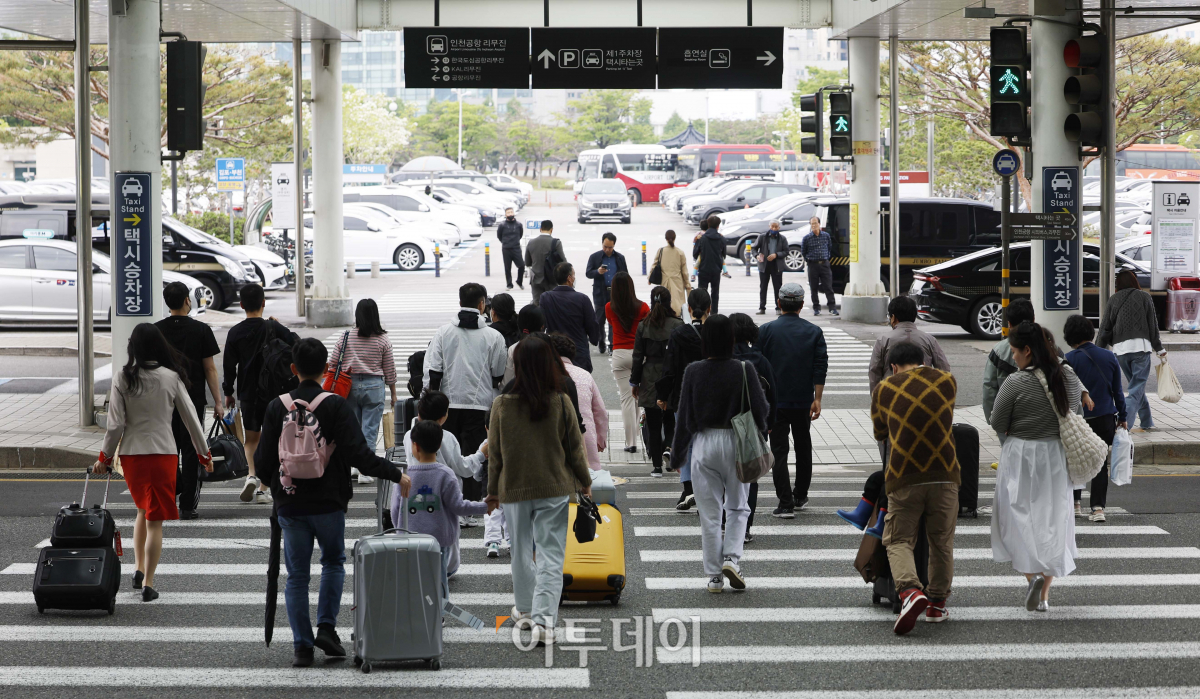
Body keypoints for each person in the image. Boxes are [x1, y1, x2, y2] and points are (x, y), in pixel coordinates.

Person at [255, 338, 410, 667]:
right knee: (333, 562)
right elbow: (360, 455)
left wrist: (280, 488)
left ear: (294, 369)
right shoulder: (335, 405)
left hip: (290, 504)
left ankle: (302, 647)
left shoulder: (276, 407)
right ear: (326, 368)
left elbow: (263, 462)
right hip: (329, 502)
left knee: (297, 576)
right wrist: (396, 475)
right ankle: (326, 627)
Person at [485, 335, 593, 645]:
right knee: (551, 555)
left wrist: (492, 492)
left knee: (520, 551)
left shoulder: (501, 405)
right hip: (553, 488)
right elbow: (575, 449)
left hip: (514, 489)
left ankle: (526, 611)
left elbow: (496, 455)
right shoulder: (560, 401)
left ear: (516, 365)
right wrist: (585, 481)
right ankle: (546, 622)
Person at [95, 322, 212, 603]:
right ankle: (148, 582)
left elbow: (115, 426)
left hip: (133, 455)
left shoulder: (122, 378)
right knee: (155, 519)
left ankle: (137, 568)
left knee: (141, 510)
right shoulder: (171, 377)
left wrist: (105, 457)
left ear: (132, 347)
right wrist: (203, 453)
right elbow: (191, 419)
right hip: (163, 453)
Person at [990, 321, 1084, 613]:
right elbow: (1075, 412)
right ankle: (1044, 597)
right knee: (1054, 521)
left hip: (1021, 454)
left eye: (1015, 351)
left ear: (1028, 350)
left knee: (1015, 518)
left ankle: (1030, 577)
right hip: (1055, 455)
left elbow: (997, 422)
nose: (1014, 357)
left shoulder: (1017, 381)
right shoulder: (1067, 376)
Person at [671, 314, 769, 594]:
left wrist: (678, 455)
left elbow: (684, 418)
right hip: (736, 442)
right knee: (738, 507)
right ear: (731, 339)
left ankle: (714, 576)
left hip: (703, 443)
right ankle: (732, 560)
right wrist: (760, 433)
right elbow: (760, 410)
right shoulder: (743, 368)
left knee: (709, 514)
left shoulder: (693, 371)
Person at [870, 342, 960, 634]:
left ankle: (910, 592)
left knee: (897, 540)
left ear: (893, 367)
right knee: (941, 541)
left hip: (904, 476)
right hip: (945, 474)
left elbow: (880, 432)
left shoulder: (884, 389)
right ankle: (936, 605)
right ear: (922, 360)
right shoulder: (947, 382)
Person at [425, 283, 507, 506]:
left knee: (447, 454)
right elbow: (498, 373)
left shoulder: (443, 332)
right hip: (479, 404)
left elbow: (435, 371)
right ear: (482, 304)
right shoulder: (494, 336)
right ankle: (469, 504)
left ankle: (448, 499)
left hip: (447, 406)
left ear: (460, 302)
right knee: (472, 455)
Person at [221, 283, 298, 504]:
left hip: (249, 394)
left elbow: (229, 366)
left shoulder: (235, 332)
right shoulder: (274, 328)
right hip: (276, 394)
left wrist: (228, 392)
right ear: (263, 303)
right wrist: (280, 328)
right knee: (272, 438)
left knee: (251, 439)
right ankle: (264, 489)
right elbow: (297, 344)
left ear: (242, 305)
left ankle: (251, 475)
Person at [401, 420, 490, 607]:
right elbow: (459, 506)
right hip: (440, 538)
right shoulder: (446, 475)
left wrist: (402, 533)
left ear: (414, 446)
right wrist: (484, 507)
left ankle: (417, 610)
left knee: (415, 574)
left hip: (412, 537)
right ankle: (438, 612)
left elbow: (396, 509)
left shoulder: (404, 477)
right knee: (439, 575)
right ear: (440, 445)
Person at [758, 283, 828, 518]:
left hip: (774, 403)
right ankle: (800, 495)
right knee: (803, 446)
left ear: (779, 303)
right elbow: (820, 367)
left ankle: (785, 503)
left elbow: (757, 368)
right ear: (801, 304)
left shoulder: (765, 331)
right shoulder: (814, 332)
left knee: (779, 450)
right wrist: (817, 398)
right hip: (803, 401)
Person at [395, 390, 493, 556]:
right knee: (446, 534)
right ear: (443, 417)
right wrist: (480, 455)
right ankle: (446, 569)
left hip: (415, 492)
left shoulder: (408, 436)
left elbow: (395, 507)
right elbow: (462, 468)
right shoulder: (446, 438)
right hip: (442, 496)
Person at [155, 281, 221, 520]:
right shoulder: (201, 330)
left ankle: (172, 493)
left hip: (163, 401)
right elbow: (210, 369)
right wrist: (218, 402)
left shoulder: (156, 331)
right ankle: (187, 506)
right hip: (193, 400)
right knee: (192, 450)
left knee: (168, 450)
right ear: (187, 300)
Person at [1064, 313, 1127, 523]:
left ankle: (1075, 504)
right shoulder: (1109, 357)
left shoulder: (1069, 359)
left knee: (1075, 459)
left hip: (1079, 419)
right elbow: (1118, 392)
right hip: (1105, 417)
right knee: (1100, 461)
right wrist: (1123, 417)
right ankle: (1098, 508)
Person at [332, 299, 397, 486]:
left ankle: (354, 466)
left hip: (349, 386)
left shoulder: (346, 337)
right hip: (374, 386)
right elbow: (389, 369)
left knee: (353, 428)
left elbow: (334, 362)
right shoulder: (383, 339)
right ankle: (365, 470)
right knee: (369, 430)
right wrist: (393, 393)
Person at [657, 288, 712, 510]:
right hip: (711, 397)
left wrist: (663, 396)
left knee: (687, 443)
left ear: (688, 309)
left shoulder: (679, 334)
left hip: (683, 396)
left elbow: (669, 367)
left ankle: (689, 490)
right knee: (708, 443)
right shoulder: (715, 332)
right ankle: (706, 488)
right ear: (709, 308)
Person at [1097, 269, 1165, 432]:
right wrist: (1159, 348)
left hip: (1120, 351)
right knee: (1136, 388)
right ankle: (1124, 425)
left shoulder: (1114, 299)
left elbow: (1105, 328)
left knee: (1137, 387)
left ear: (1118, 284)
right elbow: (1152, 326)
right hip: (1140, 348)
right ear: (1135, 281)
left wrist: (1096, 350)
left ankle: (1147, 421)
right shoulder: (1144, 297)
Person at [730, 313, 777, 543]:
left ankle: (725, 521)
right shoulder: (762, 361)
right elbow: (773, 397)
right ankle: (746, 527)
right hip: (754, 427)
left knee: (725, 477)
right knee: (750, 477)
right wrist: (769, 425)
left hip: (727, 426)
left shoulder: (724, 360)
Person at [632, 286, 685, 477]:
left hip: (649, 376)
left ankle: (656, 466)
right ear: (669, 301)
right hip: (671, 375)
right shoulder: (677, 325)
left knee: (653, 423)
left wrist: (634, 382)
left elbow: (637, 357)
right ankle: (669, 448)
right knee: (670, 417)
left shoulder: (643, 325)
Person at [549, 333, 608, 470]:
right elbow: (600, 411)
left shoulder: (544, 375)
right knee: (589, 479)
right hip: (586, 436)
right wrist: (600, 439)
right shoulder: (584, 375)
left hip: (554, 438)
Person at [982, 298, 1037, 443]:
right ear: (1034, 319)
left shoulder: (999, 350)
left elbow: (989, 387)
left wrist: (992, 420)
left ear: (1009, 324)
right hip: (1046, 427)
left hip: (1008, 424)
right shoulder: (1051, 348)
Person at [606, 272, 649, 455]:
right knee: (639, 398)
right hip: (640, 356)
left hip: (619, 354)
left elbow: (611, 323)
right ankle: (640, 436)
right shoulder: (643, 308)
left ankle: (631, 442)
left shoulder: (609, 307)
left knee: (626, 400)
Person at [540, 262, 601, 372]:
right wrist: (594, 339)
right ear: (569, 278)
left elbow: (542, 323)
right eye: (573, 274)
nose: (574, 277)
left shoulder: (546, 297)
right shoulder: (582, 299)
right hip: (578, 350)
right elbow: (592, 323)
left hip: (555, 349)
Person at [585, 233, 629, 353]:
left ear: (614, 245)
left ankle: (612, 345)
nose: (607, 250)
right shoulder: (594, 257)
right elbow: (588, 273)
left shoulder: (620, 258)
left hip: (615, 293)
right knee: (599, 320)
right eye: (605, 247)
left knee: (613, 320)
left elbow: (625, 275)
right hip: (600, 292)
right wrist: (597, 272)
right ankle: (601, 342)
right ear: (602, 244)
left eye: (610, 247)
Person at [800, 216, 839, 316]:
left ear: (819, 224)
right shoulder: (807, 238)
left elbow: (829, 248)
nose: (813, 225)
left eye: (815, 223)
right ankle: (816, 308)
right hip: (813, 265)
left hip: (825, 264)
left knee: (828, 287)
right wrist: (809, 260)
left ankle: (832, 308)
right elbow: (803, 252)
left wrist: (825, 258)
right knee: (814, 288)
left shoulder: (826, 236)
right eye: (812, 224)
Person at [524, 220, 565, 305]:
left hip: (536, 279)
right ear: (551, 229)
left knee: (538, 305)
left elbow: (527, 262)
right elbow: (563, 262)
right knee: (552, 305)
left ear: (540, 229)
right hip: (551, 279)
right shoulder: (556, 243)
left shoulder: (531, 242)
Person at [692, 215, 727, 314]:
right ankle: (714, 313)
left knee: (702, 293)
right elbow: (724, 254)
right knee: (715, 293)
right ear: (718, 226)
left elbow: (695, 254)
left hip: (703, 269)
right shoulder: (721, 239)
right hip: (716, 270)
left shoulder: (701, 239)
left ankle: (702, 312)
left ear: (708, 224)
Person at [653, 229, 691, 318]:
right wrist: (687, 283)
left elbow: (655, 264)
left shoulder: (661, 251)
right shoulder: (680, 252)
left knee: (664, 303)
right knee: (677, 306)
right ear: (675, 238)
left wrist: (650, 278)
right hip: (677, 282)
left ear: (666, 239)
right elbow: (684, 271)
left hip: (664, 281)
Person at [753, 220, 787, 315]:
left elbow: (786, 251)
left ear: (779, 228)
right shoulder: (762, 237)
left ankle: (778, 308)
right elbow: (754, 248)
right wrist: (757, 256)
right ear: (769, 226)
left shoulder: (782, 238)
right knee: (763, 287)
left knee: (778, 288)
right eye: (772, 227)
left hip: (777, 266)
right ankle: (762, 307)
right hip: (764, 265)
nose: (774, 229)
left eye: (776, 227)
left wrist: (776, 255)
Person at [504, 305, 544, 385]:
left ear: (518, 324)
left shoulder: (514, 348)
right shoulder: (550, 343)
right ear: (542, 326)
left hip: (521, 393)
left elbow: (506, 382)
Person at [496, 207, 525, 290]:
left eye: (511, 212)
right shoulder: (502, 225)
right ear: (505, 215)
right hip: (506, 249)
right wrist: (505, 242)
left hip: (516, 248)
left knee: (521, 266)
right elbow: (499, 236)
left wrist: (515, 242)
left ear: (514, 213)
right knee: (507, 267)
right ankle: (509, 284)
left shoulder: (519, 224)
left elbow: (520, 235)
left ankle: (519, 281)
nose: (510, 214)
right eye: (508, 213)